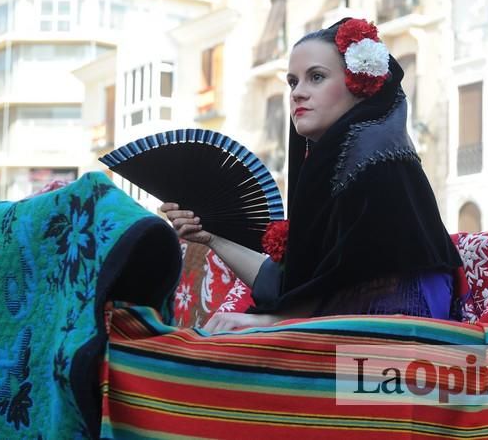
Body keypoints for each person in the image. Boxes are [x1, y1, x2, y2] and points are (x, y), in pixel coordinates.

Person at [161, 18, 462, 333]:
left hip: (395, 346)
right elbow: (290, 285)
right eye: (292, 82)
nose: (298, 94)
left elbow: (387, 301)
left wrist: (274, 323)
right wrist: (209, 237)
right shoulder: (335, 167)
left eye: (316, 77)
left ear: (358, 85)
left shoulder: (380, 167)